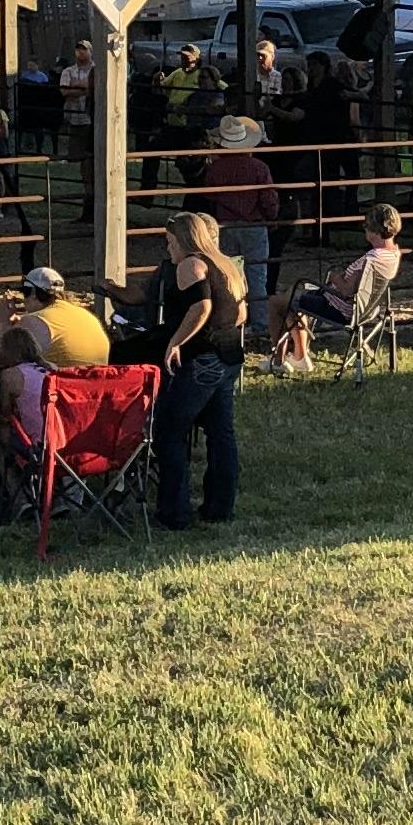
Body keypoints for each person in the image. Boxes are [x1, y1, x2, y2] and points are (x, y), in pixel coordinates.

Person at [148, 208, 245, 530]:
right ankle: (220, 506)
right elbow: (241, 312)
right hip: (228, 355)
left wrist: (176, 341)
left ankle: (174, 512)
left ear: (184, 238)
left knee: (170, 431)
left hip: (201, 356)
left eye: (169, 241)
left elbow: (200, 307)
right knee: (221, 433)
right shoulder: (226, 263)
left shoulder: (191, 263)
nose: (167, 248)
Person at [271, 200, 404, 373]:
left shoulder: (371, 260)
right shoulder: (393, 254)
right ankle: (299, 355)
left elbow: (347, 290)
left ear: (375, 230)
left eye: (366, 226)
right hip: (366, 309)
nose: (365, 230)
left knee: (276, 303)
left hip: (339, 309)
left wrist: (335, 277)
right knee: (291, 297)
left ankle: (279, 361)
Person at [0, 261, 112, 447]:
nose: (23, 301)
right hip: (90, 410)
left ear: (33, 294)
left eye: (24, 294)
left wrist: (3, 324)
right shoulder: (87, 316)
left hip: (56, 417)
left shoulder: (35, 321)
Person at [197, 114, 282, 294]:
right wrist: (271, 218)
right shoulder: (259, 167)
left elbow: (208, 196)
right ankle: (259, 320)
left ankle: (234, 318)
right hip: (254, 225)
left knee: (229, 275)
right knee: (257, 276)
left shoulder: (215, 169)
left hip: (226, 224)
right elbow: (268, 198)